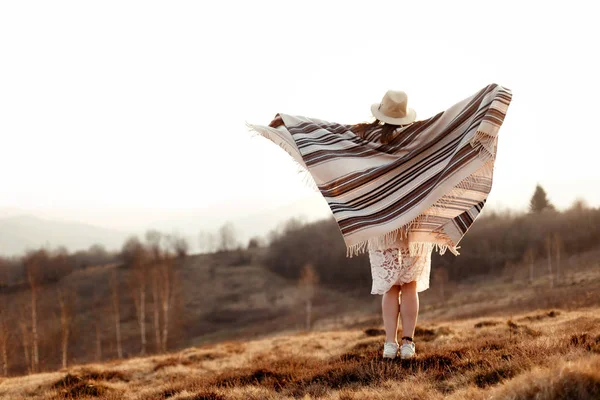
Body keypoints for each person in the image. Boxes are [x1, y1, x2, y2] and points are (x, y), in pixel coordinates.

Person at [253, 83, 512, 362]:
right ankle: (408, 343)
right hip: (412, 221)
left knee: (390, 288)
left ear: (381, 112)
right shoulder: (419, 135)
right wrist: (491, 96)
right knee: (410, 286)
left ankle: (390, 344)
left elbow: (329, 132)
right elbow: (452, 123)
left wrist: (290, 122)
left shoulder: (364, 134)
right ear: (405, 115)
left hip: (382, 224)